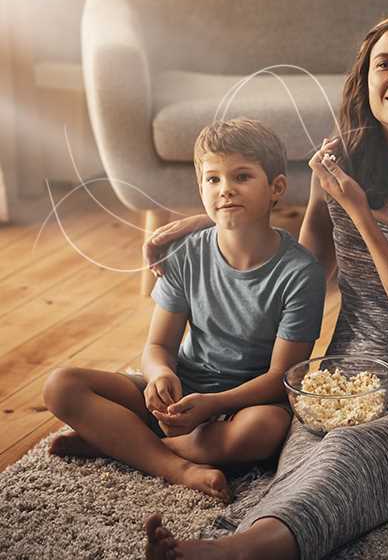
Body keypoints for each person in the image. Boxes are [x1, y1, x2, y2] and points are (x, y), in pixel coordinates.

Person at [143, 13, 388, 560]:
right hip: (339, 388)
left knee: (350, 453)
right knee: (305, 463)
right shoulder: (337, 162)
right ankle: (246, 541)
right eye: (383, 64)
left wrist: (363, 218)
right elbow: (301, 264)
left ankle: (229, 554)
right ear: (365, 83)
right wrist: (213, 219)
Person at [42, 118, 325, 502]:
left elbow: (280, 377)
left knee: (268, 428)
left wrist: (216, 403)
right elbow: (158, 346)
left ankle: (128, 446)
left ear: (276, 188)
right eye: (213, 179)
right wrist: (159, 377)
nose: (225, 190)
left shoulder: (300, 273)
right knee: (61, 385)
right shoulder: (188, 253)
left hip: (241, 405)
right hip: (181, 393)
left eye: (241, 176)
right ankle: (171, 460)